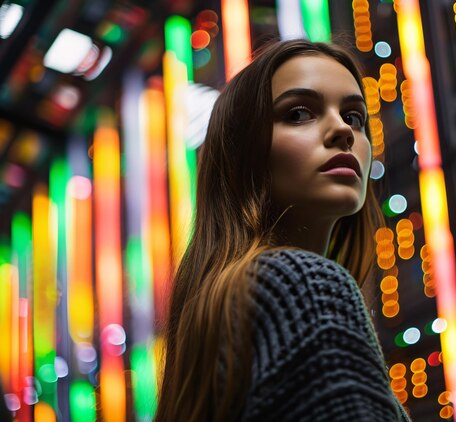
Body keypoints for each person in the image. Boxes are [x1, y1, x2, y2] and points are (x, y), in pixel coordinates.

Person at [155, 39, 411, 421]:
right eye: (299, 113)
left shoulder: (219, 311)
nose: (343, 130)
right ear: (244, 153)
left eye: (355, 117)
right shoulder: (304, 282)